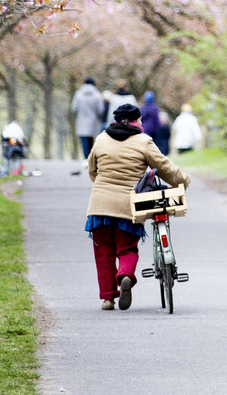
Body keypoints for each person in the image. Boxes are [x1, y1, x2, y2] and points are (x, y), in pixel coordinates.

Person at [85, 103, 191, 311]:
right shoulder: (143, 141)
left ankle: (108, 299)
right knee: (127, 249)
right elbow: (164, 167)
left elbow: (92, 171)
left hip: (99, 206)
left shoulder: (101, 139)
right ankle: (124, 276)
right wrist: (183, 180)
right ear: (135, 121)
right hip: (128, 207)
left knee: (104, 253)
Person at [72, 77, 105, 159]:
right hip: (94, 121)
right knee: (92, 140)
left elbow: (74, 108)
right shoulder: (97, 95)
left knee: (84, 140)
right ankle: (91, 157)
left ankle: (86, 157)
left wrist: (78, 115)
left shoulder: (78, 94)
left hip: (81, 120)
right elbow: (101, 110)